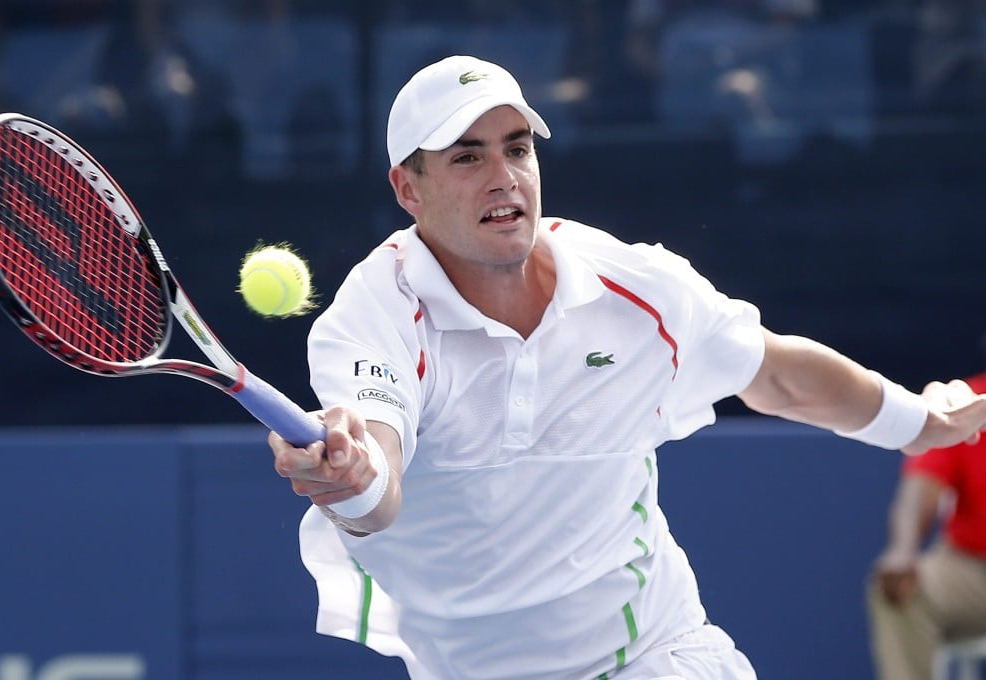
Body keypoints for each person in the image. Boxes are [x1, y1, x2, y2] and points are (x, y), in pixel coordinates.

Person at [267, 55, 986, 680]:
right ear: (408, 189)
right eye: (467, 157)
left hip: (653, 656)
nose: (504, 177)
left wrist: (917, 422)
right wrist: (348, 478)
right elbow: (377, 484)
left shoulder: (636, 289)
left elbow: (778, 374)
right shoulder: (374, 314)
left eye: (517, 149)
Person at [867, 369, 986, 680]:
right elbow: (922, 487)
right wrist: (902, 550)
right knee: (903, 591)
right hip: (972, 568)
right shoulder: (968, 402)